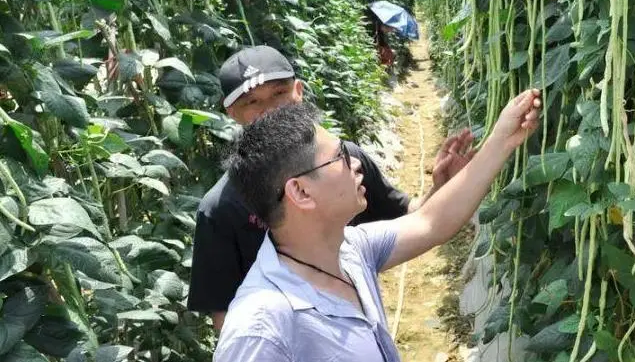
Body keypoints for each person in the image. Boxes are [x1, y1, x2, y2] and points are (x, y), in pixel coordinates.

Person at [213, 89, 542, 362]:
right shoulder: (259, 330)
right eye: (340, 156)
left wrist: (503, 140)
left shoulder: (351, 249)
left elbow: (431, 222)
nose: (356, 163)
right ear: (300, 191)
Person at [187, 45, 474, 331]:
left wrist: (441, 186)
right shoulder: (220, 210)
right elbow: (226, 321)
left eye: (279, 93)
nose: (271, 111)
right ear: (231, 112)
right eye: (252, 103)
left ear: (298, 91)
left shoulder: (345, 163)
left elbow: (413, 218)